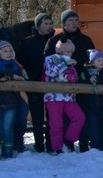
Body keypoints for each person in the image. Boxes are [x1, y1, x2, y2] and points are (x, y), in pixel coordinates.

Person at [44, 10, 94, 152]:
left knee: (80, 117)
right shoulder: (54, 41)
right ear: (64, 23)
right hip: (56, 90)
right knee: (57, 121)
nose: (74, 23)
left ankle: (81, 144)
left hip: (80, 83)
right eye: (70, 20)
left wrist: (89, 74)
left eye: (76, 20)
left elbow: (91, 60)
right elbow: (47, 63)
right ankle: (57, 147)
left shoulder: (86, 40)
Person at [17, 13, 55, 152]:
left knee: (52, 115)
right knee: (37, 115)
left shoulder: (56, 41)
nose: (49, 26)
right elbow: (20, 61)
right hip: (33, 82)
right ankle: (39, 144)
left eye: (50, 24)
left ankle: (51, 143)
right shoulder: (27, 42)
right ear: (38, 25)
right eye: (46, 24)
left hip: (52, 83)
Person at [43, 39, 86, 154]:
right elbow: (51, 72)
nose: (70, 54)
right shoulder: (50, 59)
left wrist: (72, 75)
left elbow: (75, 78)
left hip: (68, 96)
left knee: (79, 117)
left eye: (71, 52)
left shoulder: (70, 61)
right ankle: (57, 147)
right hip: (53, 97)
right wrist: (65, 63)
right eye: (67, 52)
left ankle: (68, 139)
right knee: (55, 123)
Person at [0, 40, 26, 159]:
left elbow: (22, 78)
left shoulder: (16, 65)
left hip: (11, 100)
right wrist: (10, 76)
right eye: (5, 51)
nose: (8, 53)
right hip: (4, 99)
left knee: (7, 127)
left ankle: (8, 151)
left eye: (10, 50)